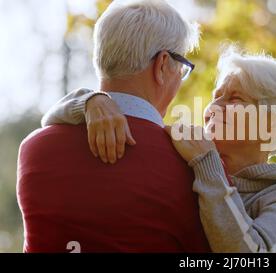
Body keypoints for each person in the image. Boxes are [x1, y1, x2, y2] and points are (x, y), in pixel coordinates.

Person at [42, 47, 276, 252]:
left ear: (274, 123)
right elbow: (50, 121)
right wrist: (92, 102)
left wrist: (207, 165)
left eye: (234, 98)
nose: (211, 109)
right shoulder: (184, 156)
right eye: (215, 97)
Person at [17, 0, 210, 252]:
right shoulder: (195, 164)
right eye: (181, 69)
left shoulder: (33, 150)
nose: (180, 81)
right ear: (162, 65)